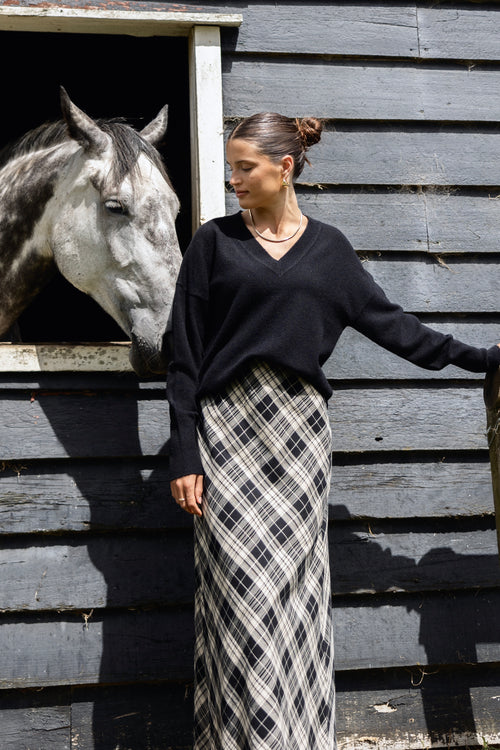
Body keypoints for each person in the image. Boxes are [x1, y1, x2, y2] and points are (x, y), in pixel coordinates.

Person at [166, 112, 500, 750]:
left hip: (296, 439)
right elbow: (183, 355)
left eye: (245, 167)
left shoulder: (330, 251)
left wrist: (481, 357)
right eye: (231, 167)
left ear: (283, 167)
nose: (232, 179)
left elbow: (396, 327)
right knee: (243, 600)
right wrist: (185, 451)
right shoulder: (211, 244)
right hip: (226, 433)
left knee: (292, 599)